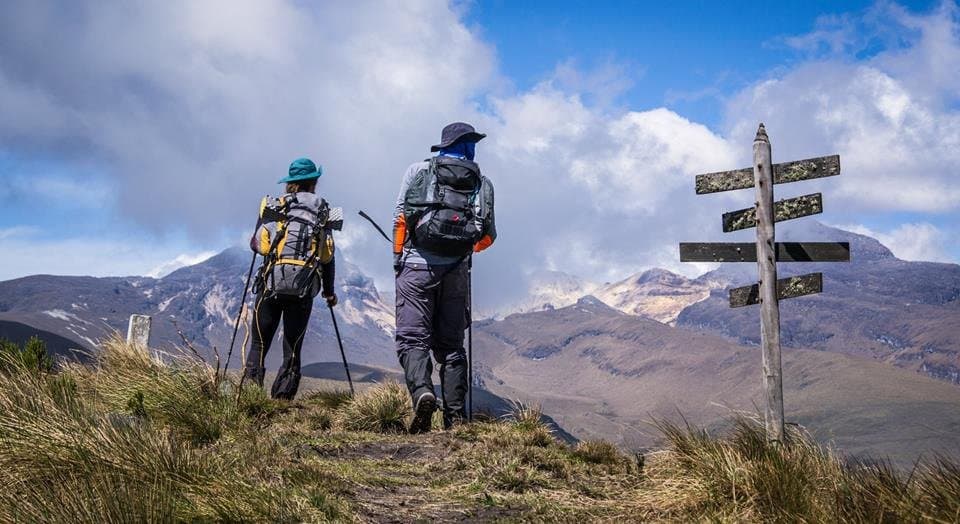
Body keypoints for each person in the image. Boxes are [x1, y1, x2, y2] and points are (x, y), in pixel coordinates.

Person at [393, 122, 496, 433]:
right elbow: (488, 235)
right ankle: (455, 421)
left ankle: (423, 393)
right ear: (466, 145)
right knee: (452, 346)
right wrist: (463, 251)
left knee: (413, 338)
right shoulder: (482, 182)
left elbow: (401, 216)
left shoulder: (417, 171)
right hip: (456, 272)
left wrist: (399, 258)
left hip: (416, 267)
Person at [244, 157, 338, 400]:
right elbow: (327, 257)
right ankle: (282, 400)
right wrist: (329, 292)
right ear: (314, 182)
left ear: (290, 183)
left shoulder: (276, 207)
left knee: (259, 344)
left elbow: (258, 245)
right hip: (303, 290)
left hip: (270, 285)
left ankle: (250, 397)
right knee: (293, 347)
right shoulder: (323, 211)